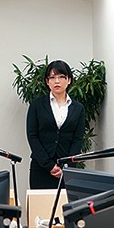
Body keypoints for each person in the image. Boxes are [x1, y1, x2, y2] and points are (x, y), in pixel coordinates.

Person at [26, 60, 86, 189]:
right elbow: (32, 136)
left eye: (61, 77)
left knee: (66, 202)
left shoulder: (78, 108)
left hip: (67, 170)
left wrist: (67, 165)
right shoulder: (36, 105)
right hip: (41, 168)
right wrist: (49, 165)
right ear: (47, 82)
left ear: (69, 80)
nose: (56, 81)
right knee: (40, 202)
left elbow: (78, 139)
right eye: (52, 77)